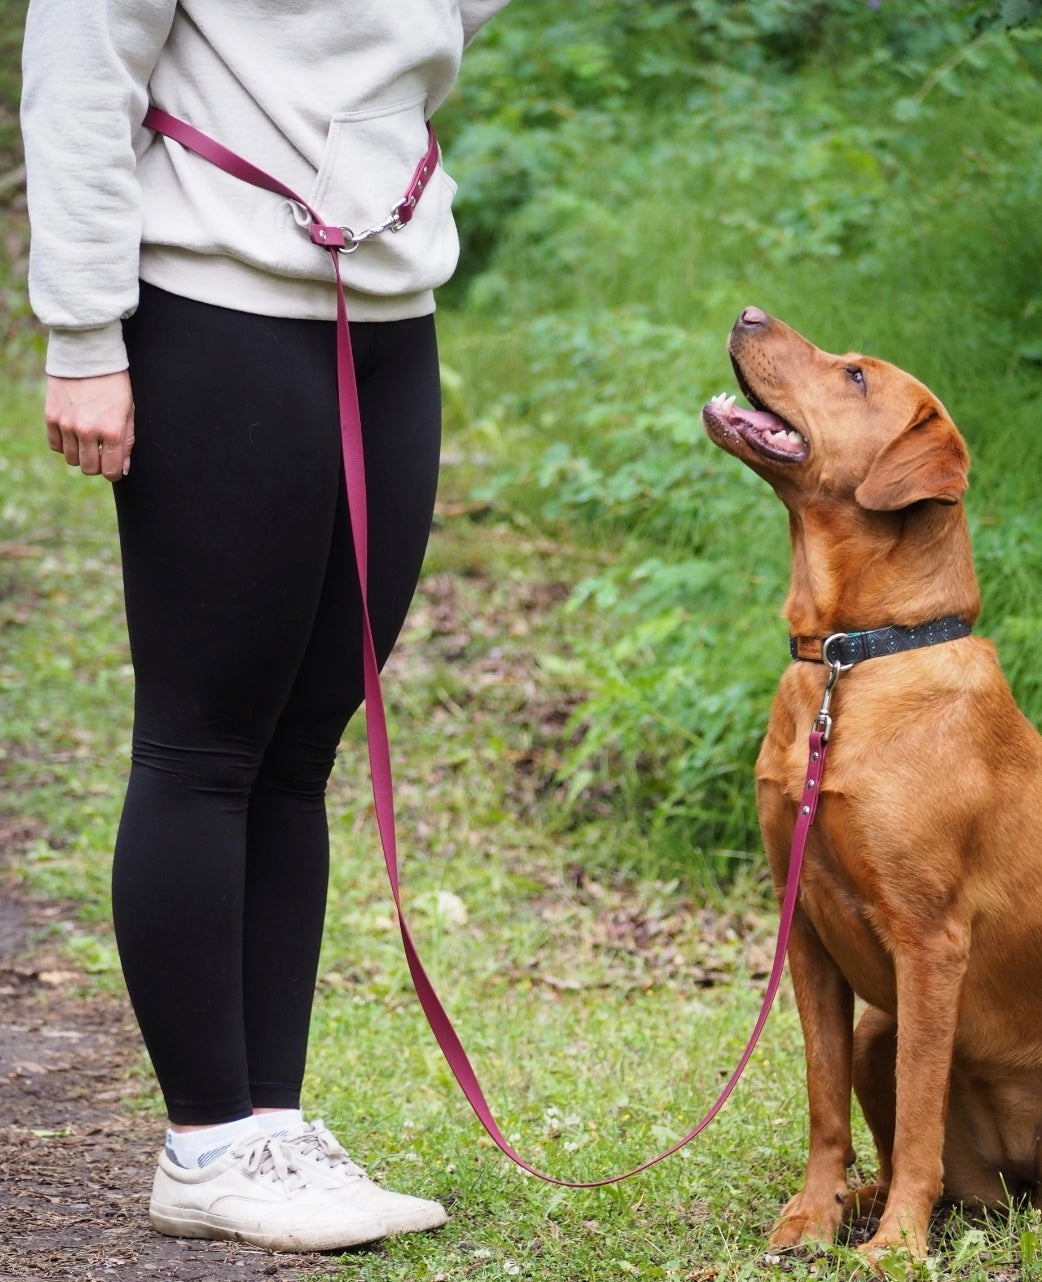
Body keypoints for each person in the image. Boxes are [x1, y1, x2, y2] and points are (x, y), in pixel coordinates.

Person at [20, 0, 512, 1254]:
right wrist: (82, 332)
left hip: (389, 302)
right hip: (211, 303)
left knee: (302, 744)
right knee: (207, 740)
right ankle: (205, 1141)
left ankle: (270, 1126)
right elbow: (81, 73)